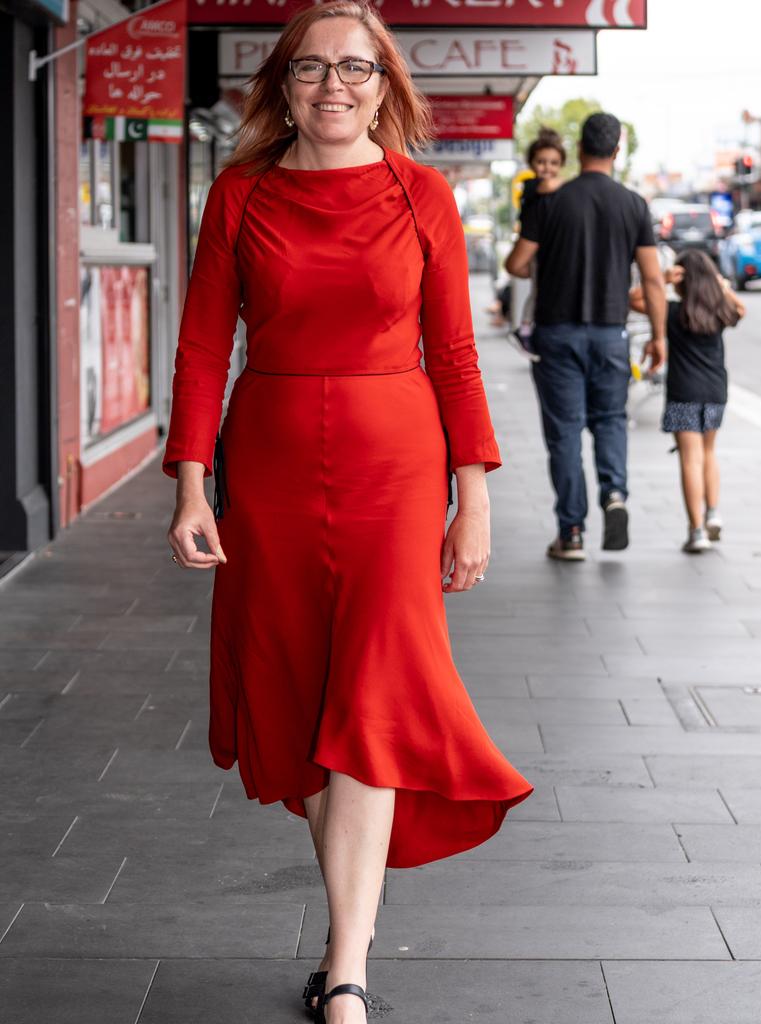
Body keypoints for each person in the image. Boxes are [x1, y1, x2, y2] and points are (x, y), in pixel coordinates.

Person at [163, 3, 533, 1022]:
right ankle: (348, 941)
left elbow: (455, 353)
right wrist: (193, 481)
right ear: (283, 85)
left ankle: (349, 962)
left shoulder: (424, 196)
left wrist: (476, 497)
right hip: (273, 467)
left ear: (386, 84)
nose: (335, 85)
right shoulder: (238, 197)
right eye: (312, 67)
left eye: (356, 68)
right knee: (296, 696)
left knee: (368, 699)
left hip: (395, 471)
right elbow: (202, 346)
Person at [506, 112, 667, 561]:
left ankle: (571, 532)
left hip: (557, 337)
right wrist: (659, 336)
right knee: (611, 419)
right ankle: (614, 495)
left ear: (579, 150)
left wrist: (550, 263)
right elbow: (653, 280)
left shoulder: (552, 203)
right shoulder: (633, 205)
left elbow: (516, 264)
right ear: (617, 151)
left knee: (565, 435)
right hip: (611, 335)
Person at [630, 250, 744, 553]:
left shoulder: (672, 312)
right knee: (708, 453)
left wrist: (662, 279)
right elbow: (740, 310)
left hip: (684, 392)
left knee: (690, 459)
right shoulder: (719, 312)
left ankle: (696, 531)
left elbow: (633, 299)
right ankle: (713, 513)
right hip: (716, 391)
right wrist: (722, 287)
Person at [511, 127, 566, 362]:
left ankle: (526, 328)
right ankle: (524, 331)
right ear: (531, 163)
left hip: (544, 248)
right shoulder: (533, 185)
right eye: (541, 162)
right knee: (537, 293)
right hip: (534, 247)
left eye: (554, 163)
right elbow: (547, 186)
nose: (547, 168)